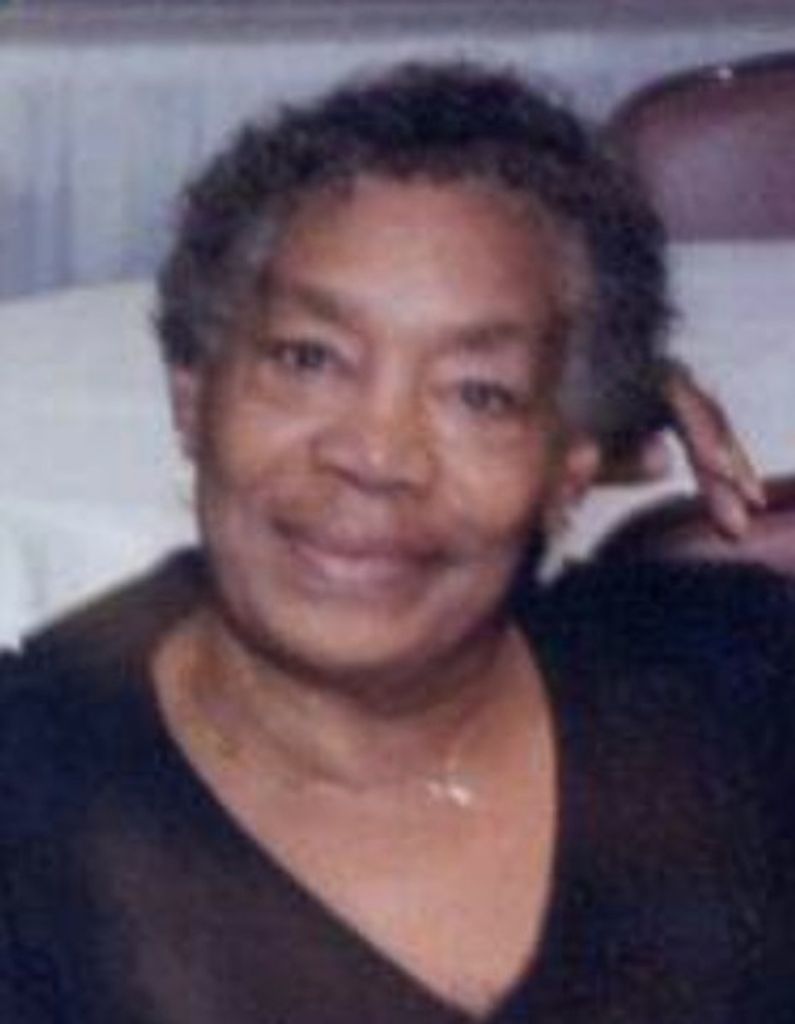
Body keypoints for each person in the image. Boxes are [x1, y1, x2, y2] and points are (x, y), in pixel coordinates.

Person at [0, 62, 791, 1024]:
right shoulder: (33, 812)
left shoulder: (734, 682)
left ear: (571, 469)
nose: (376, 456)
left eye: (478, 395)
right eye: (308, 358)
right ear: (193, 399)